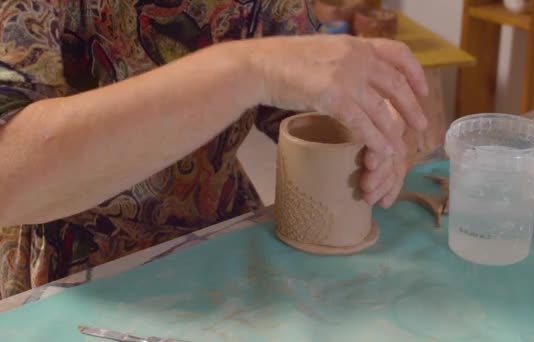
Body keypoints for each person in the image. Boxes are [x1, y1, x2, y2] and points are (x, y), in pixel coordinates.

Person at [0, 0, 428, 299]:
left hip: (220, 242)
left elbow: (306, 95)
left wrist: (383, 127)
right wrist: (244, 69)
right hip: (67, 273)